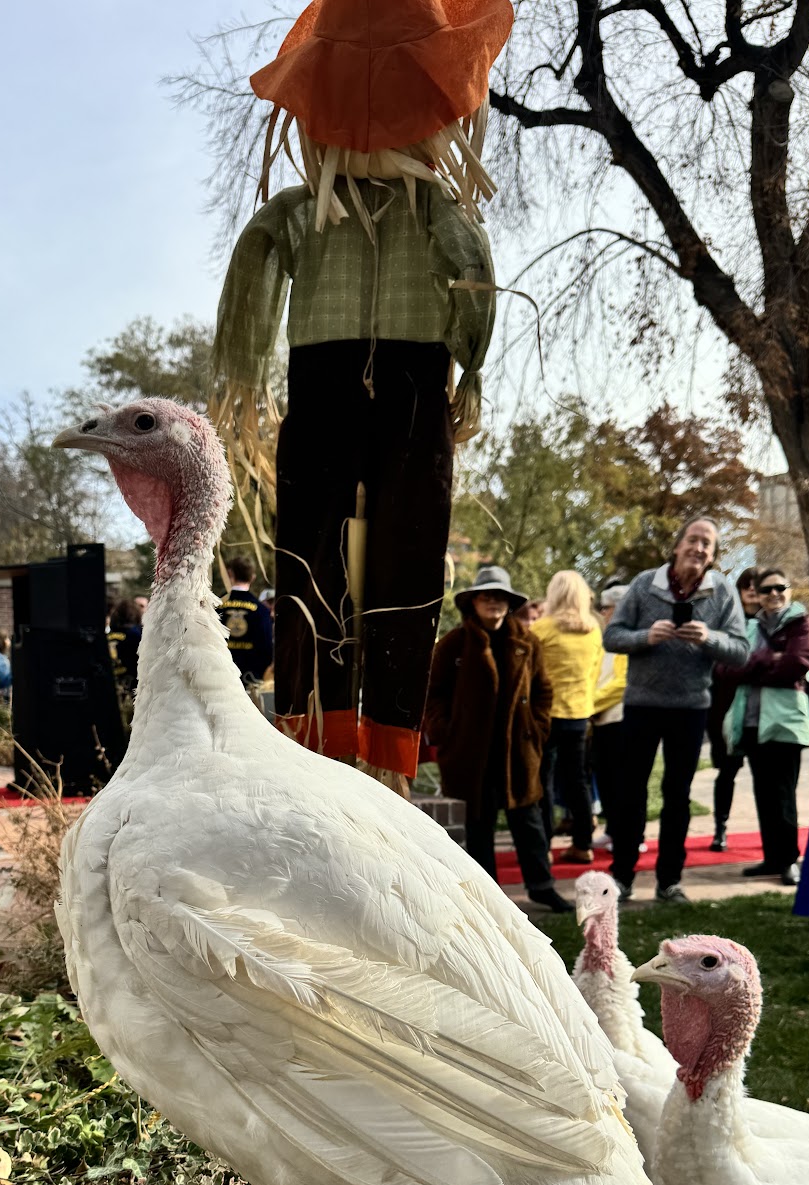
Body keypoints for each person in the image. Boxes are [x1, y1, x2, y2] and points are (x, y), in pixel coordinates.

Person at [213, 0, 510, 787]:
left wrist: (242, 390)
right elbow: (474, 289)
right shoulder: (418, 214)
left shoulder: (308, 216)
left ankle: (366, 742)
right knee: (358, 554)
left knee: (370, 556)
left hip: (344, 389)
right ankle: (343, 738)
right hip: (394, 391)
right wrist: (470, 371)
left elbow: (253, 273)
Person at [603, 518, 749, 903]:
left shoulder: (723, 592)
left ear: (713, 555)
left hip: (690, 708)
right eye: (693, 540)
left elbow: (741, 650)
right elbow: (611, 636)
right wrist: (645, 637)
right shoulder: (644, 584)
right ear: (678, 544)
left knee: (677, 794)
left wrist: (709, 638)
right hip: (641, 704)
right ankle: (621, 877)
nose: (698, 548)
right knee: (630, 792)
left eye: (707, 544)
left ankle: (669, 880)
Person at [425, 566, 572, 914]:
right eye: (486, 596)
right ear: (473, 602)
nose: (493, 602)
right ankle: (488, 898)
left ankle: (542, 887)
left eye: (500, 597)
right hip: (470, 753)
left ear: (509, 603)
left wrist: (537, 728)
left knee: (530, 823)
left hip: (518, 750)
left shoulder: (527, 642)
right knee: (479, 826)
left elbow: (543, 690)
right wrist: (446, 732)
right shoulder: (454, 644)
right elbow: (434, 694)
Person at [718, 569, 809, 886]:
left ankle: (790, 860)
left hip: (785, 723)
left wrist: (751, 666)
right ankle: (772, 858)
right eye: (766, 590)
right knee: (764, 792)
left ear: (790, 590)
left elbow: (799, 662)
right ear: (757, 594)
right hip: (750, 721)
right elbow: (725, 667)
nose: (774, 594)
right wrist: (768, 657)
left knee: (783, 793)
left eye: (780, 587)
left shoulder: (801, 622)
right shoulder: (747, 626)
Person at [529, 571, 603, 863]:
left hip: (546, 715)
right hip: (579, 715)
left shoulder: (542, 629)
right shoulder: (594, 631)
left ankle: (545, 845)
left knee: (544, 782)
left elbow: (531, 675)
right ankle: (583, 844)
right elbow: (595, 673)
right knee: (578, 782)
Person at [707, 567, 761, 849]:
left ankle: (769, 833)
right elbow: (720, 665)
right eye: (746, 585)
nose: (752, 590)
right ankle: (720, 828)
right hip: (725, 708)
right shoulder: (729, 623)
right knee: (727, 770)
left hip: (762, 709)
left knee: (765, 776)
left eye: (757, 585)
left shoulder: (772, 622)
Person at [590, 583, 628, 844]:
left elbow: (623, 682)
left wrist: (590, 704)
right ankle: (614, 830)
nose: (603, 613)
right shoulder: (605, 638)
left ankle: (628, 834)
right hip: (601, 719)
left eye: (607, 608)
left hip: (620, 719)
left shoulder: (627, 639)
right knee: (605, 778)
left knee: (622, 781)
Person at [218, 555, 274, 683]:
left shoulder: (215, 607)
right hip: (251, 678)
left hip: (220, 680)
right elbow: (267, 649)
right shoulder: (262, 611)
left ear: (229, 573)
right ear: (252, 577)